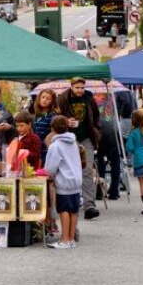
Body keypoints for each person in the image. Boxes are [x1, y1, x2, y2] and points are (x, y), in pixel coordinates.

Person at [58, 76, 101, 219]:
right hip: (69, 138)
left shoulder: (89, 98)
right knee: (70, 170)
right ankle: (72, 203)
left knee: (87, 170)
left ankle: (90, 206)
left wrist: (96, 131)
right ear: (71, 87)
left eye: (82, 88)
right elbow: (57, 117)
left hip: (86, 137)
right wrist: (65, 121)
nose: (80, 90)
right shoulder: (63, 99)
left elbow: (96, 117)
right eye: (77, 87)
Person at [45, 115, 82, 249]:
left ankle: (64, 239)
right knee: (74, 210)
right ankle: (71, 238)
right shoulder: (73, 142)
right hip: (76, 179)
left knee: (64, 210)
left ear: (52, 129)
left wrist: (50, 175)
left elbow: (50, 167)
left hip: (64, 181)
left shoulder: (55, 146)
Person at [33, 89, 60, 165]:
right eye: (43, 97)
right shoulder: (37, 115)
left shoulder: (52, 116)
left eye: (48, 99)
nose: (44, 100)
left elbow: (54, 133)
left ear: (52, 101)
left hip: (47, 149)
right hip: (38, 149)